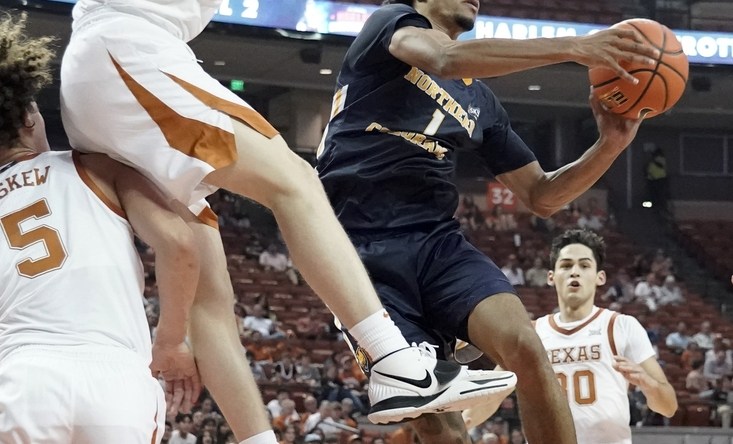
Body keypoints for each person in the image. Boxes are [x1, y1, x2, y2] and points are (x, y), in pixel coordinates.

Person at [59, 0, 512, 440]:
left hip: (112, 67)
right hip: (126, 46)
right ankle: (395, 361)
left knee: (208, 294)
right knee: (295, 180)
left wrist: (171, 339)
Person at [315, 0, 659, 442]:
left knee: (527, 347)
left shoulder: (480, 99)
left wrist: (609, 145)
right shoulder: (391, 24)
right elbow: (442, 57)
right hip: (356, 254)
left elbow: (542, 195)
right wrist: (575, 46)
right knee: (446, 432)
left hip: (437, 243)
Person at [0, 14, 200, 443]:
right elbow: (179, 244)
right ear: (29, 119)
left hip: (20, 377)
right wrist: (171, 342)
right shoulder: (96, 167)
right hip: (116, 378)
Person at [533, 229, 677, 443]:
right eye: (566, 265)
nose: (574, 272)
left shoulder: (622, 326)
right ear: (551, 277)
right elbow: (491, 395)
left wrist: (647, 383)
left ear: (600, 277)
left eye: (584, 265)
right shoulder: (531, 333)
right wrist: (467, 420)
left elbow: (668, 406)